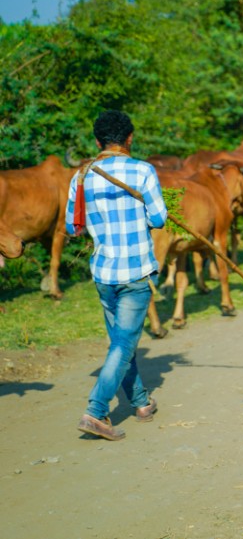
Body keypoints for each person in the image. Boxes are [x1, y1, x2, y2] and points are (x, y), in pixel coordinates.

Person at [65, 110, 168, 441]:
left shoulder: (81, 176)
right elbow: (159, 219)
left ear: (98, 142)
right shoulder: (143, 171)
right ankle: (96, 411)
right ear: (130, 138)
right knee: (124, 343)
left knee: (122, 342)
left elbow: (73, 227)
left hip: (104, 274)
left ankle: (141, 402)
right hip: (135, 273)